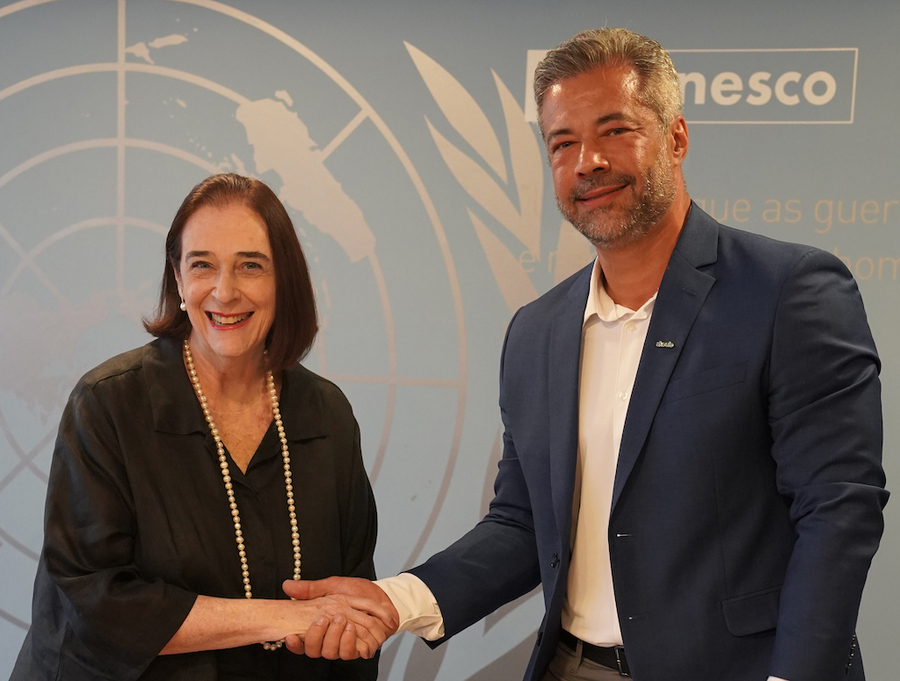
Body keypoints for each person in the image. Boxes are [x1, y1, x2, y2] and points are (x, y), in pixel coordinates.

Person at [286, 28, 889, 681]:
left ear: (676, 138)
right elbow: (522, 523)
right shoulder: (535, 332)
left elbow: (837, 507)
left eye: (614, 130)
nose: (587, 162)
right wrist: (395, 600)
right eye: (562, 143)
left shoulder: (787, 291)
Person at [12, 173, 395, 681]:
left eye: (250, 265)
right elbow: (94, 603)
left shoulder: (327, 416)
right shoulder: (108, 405)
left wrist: (347, 629)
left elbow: (349, 603)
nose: (225, 291)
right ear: (177, 278)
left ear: (284, 279)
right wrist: (287, 618)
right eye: (202, 265)